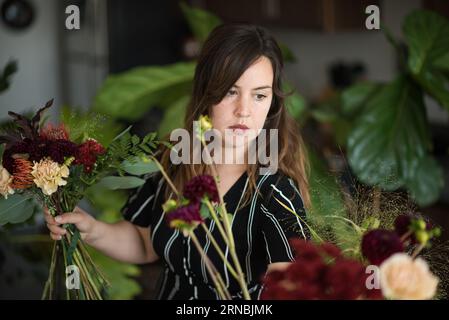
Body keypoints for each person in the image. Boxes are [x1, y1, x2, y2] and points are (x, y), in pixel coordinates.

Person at [45, 23, 311, 300]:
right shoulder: (170, 163)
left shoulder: (276, 192)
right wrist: (92, 230)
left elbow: (287, 286)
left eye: (259, 95)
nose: (244, 110)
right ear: (207, 92)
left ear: (272, 104)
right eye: (231, 91)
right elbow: (144, 242)